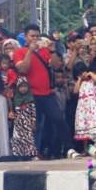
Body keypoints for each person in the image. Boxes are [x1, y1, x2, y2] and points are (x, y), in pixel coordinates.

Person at [13, 24, 66, 159]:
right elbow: (23, 69)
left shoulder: (44, 51)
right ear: (26, 37)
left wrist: (53, 50)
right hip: (31, 94)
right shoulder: (19, 52)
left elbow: (56, 66)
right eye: (32, 36)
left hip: (47, 93)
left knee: (58, 119)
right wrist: (30, 51)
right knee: (34, 125)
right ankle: (32, 153)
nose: (35, 39)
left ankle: (66, 148)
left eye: (37, 36)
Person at [74, 69, 96, 145]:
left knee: (95, 127)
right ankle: (85, 149)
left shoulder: (93, 80)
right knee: (84, 128)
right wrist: (80, 79)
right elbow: (75, 91)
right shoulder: (81, 82)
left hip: (93, 106)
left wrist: (90, 73)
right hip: (82, 108)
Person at [10, 77, 38, 159]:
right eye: (21, 87)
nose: (23, 89)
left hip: (28, 123)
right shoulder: (15, 99)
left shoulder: (31, 99)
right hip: (18, 124)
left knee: (29, 139)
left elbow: (33, 112)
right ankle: (18, 155)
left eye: (25, 86)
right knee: (17, 138)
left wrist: (33, 121)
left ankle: (30, 155)